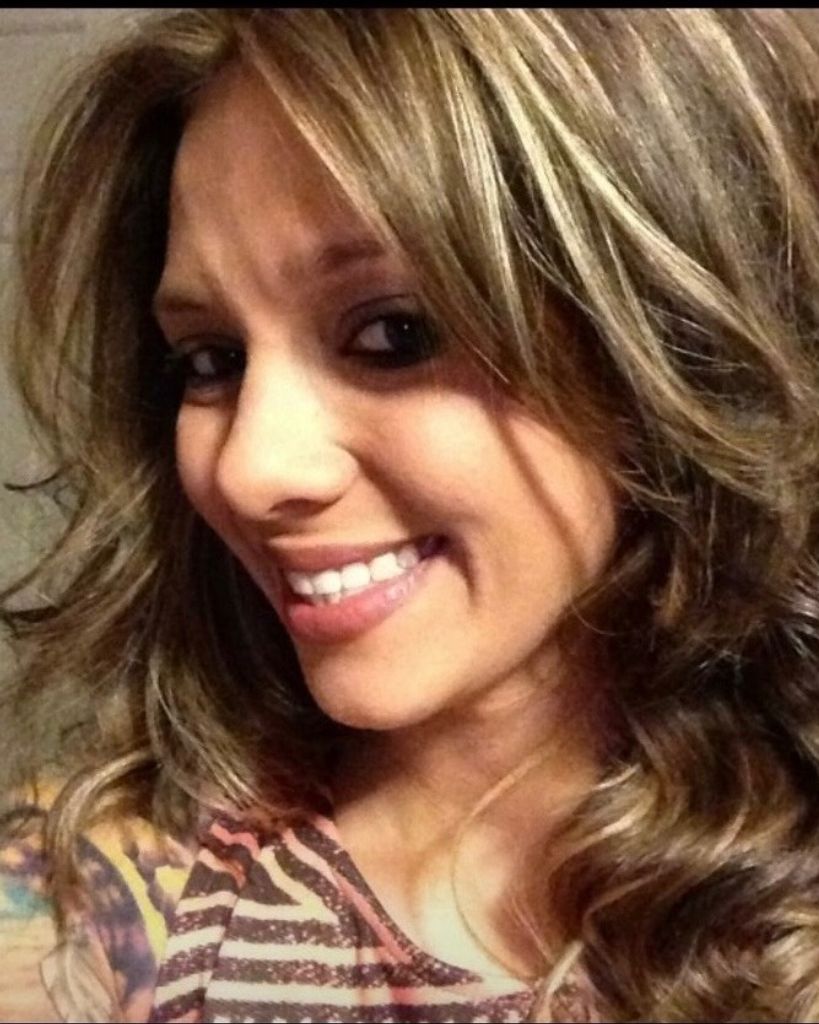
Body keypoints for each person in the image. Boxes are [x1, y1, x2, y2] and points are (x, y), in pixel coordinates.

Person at [2, 8, 819, 1022]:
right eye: (210, 360)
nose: (251, 468)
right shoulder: (102, 901)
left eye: (395, 334)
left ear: (669, 353)